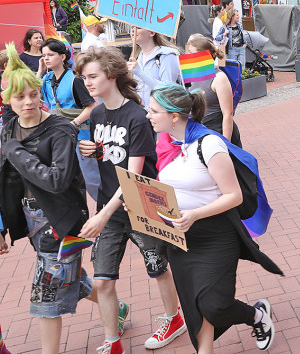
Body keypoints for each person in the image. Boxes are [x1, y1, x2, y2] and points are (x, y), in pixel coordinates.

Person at [148, 84, 282, 352]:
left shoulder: (209, 144)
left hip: (216, 236)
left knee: (216, 305)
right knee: (195, 305)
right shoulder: (171, 144)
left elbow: (234, 196)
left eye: (154, 111)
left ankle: (256, 316)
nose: (148, 115)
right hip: (181, 240)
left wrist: (195, 214)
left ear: (174, 116)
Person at [75, 48, 185, 354]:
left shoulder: (137, 116)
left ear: (112, 75)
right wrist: (94, 150)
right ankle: (112, 341)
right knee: (102, 282)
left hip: (140, 206)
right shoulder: (96, 114)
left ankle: (174, 319)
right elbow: (112, 155)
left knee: (158, 267)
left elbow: (133, 176)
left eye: (93, 76)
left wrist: (101, 216)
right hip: (109, 209)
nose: (88, 83)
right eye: (85, 78)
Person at [0, 43, 95, 354]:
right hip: (30, 223)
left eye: (33, 94)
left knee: (46, 295)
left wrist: (15, 152)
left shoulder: (60, 130)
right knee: (73, 280)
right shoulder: (8, 128)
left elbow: (57, 181)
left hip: (61, 222)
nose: (28, 102)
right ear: (7, 101)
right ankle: (112, 304)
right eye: (20, 96)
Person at [38, 39, 101, 201]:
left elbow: (92, 106)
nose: (46, 58)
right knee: (68, 180)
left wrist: (73, 124)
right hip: (59, 137)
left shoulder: (75, 79)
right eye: (44, 55)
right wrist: (40, 71)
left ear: (63, 57)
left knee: (90, 179)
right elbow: (38, 99)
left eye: (50, 55)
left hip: (81, 137)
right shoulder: (46, 79)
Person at [185, 34, 242, 147]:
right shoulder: (191, 75)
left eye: (191, 52)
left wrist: (226, 143)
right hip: (199, 131)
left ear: (204, 55)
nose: (187, 55)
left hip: (217, 130)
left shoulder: (219, 78)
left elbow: (228, 114)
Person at [128, 28, 181, 110]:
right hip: (142, 116)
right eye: (131, 27)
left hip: (162, 115)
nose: (133, 30)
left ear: (152, 33)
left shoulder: (167, 55)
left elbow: (167, 91)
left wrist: (140, 73)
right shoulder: (137, 57)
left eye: (138, 28)